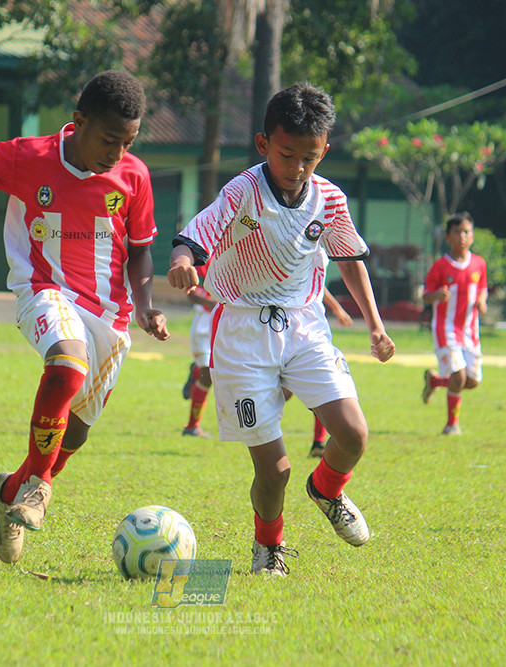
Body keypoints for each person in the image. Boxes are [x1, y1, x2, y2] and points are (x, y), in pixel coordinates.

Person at [0, 70, 169, 565]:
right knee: (68, 365)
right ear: (78, 121)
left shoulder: (135, 176)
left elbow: (140, 250)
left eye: (127, 143)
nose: (116, 153)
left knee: (78, 432)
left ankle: (11, 494)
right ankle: (39, 488)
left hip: (110, 312)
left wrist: (147, 303)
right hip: (42, 288)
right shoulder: (29, 156)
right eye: (109, 140)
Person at [168, 82, 395, 576]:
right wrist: (184, 260)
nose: (297, 168)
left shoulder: (329, 198)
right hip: (243, 334)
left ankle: (328, 489)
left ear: (324, 151)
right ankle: (268, 548)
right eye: (286, 154)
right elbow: (196, 233)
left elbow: (350, 258)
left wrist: (374, 326)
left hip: (305, 326)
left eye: (309, 158)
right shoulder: (243, 191)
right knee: (274, 471)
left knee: (354, 434)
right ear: (263, 144)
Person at [421, 212, 488, 435]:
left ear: (473, 236)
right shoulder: (441, 266)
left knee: (472, 381)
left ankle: (435, 381)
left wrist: (481, 301)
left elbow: (482, 289)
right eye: (457, 232)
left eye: (466, 232)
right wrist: (437, 295)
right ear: (448, 236)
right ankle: (452, 425)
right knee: (458, 376)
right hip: (445, 329)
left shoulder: (479, 263)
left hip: (470, 330)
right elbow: (425, 295)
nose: (462, 236)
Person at [307, 290, 352, 458]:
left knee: (324, 384)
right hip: (290, 329)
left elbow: (319, 282)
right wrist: (337, 308)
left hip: (313, 333)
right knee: (283, 393)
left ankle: (318, 442)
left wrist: (336, 308)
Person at [180, 264, 216, 438]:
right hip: (204, 324)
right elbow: (191, 293)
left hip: (226, 322)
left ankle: (196, 371)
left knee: (216, 373)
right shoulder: (204, 259)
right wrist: (212, 303)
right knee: (208, 374)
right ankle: (192, 427)